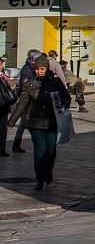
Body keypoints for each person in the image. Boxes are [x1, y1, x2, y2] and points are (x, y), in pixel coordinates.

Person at [9, 54, 69, 190]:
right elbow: (22, 104)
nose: (39, 72)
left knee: (51, 150)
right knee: (40, 150)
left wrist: (63, 105)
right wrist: (11, 122)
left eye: (42, 69)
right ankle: (40, 179)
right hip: (34, 120)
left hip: (51, 119)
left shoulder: (55, 82)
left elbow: (66, 97)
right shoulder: (29, 82)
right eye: (37, 69)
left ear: (46, 68)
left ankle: (48, 172)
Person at [11, 50, 40, 152]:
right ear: (33, 59)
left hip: (32, 98)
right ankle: (17, 143)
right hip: (27, 99)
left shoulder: (33, 68)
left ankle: (17, 143)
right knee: (25, 121)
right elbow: (25, 86)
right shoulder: (27, 69)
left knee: (26, 121)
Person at [0, 55, 13, 155]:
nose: (1, 67)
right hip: (2, 105)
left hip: (3, 106)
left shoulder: (2, 76)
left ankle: (1, 149)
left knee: (2, 128)